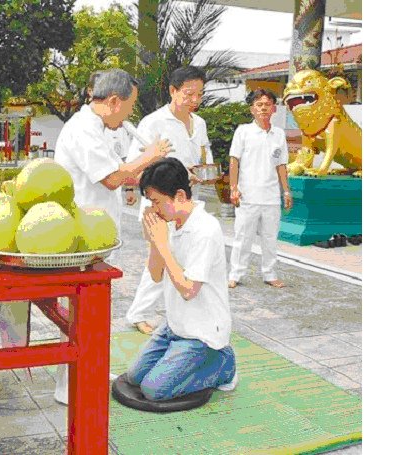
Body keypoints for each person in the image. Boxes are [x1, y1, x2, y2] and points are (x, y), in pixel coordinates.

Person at [0, 68, 173, 405]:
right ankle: (70, 386)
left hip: (94, 233)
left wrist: (143, 165)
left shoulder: (102, 127)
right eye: (129, 107)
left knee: (90, 312)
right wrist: (150, 155)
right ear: (114, 101)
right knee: (78, 313)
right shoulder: (82, 129)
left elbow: (122, 171)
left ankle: (87, 370)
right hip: (78, 236)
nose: (128, 115)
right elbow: (110, 178)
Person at [125, 157, 237, 401]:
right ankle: (182, 356)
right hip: (175, 326)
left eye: (156, 202)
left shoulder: (205, 229)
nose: (153, 209)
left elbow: (188, 290)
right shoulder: (171, 223)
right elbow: (156, 275)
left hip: (202, 333)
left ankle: (224, 364)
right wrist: (154, 241)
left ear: (179, 196)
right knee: (134, 377)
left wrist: (163, 244)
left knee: (154, 390)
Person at [125, 65, 213, 335]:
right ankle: (139, 313)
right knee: (160, 257)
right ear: (173, 91)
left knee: (180, 259)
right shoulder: (153, 122)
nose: (194, 100)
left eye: (199, 94)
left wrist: (201, 172)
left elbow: (204, 157)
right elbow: (134, 164)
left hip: (186, 204)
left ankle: (179, 313)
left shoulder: (199, 124)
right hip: (159, 204)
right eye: (188, 94)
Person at [227, 89, 293, 289]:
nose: (263, 108)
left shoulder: (279, 134)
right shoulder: (243, 131)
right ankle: (235, 274)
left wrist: (286, 191)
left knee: (270, 238)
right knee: (242, 238)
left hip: (271, 197)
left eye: (267, 104)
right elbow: (234, 160)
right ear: (252, 109)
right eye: (259, 104)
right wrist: (233, 188)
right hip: (248, 195)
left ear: (273, 108)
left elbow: (281, 164)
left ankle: (270, 273)